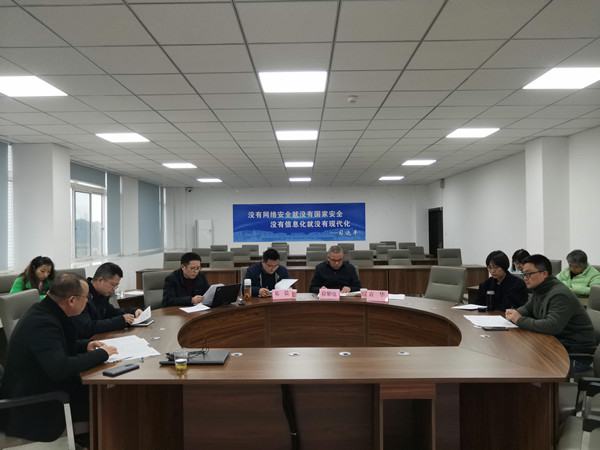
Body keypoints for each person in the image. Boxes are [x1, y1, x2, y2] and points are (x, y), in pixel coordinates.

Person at [0, 273, 117, 442]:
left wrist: (85, 345)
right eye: (87, 297)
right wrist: (102, 354)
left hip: (42, 388)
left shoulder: (46, 312)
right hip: (35, 407)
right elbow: (61, 368)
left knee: (104, 391)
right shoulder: (43, 323)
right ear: (72, 300)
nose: (88, 301)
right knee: (107, 400)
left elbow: (55, 344)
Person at [506, 254, 595, 356]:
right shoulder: (540, 289)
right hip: (556, 342)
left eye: (528, 274)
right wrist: (515, 313)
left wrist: (519, 320)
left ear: (544, 274)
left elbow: (552, 326)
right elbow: (527, 308)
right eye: (524, 274)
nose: (525, 278)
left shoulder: (559, 295)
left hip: (575, 350)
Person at [70, 262, 142, 338]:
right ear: (100, 280)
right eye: (113, 285)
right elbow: (88, 327)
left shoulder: (101, 294)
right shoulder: (81, 294)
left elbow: (112, 312)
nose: (114, 289)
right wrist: (121, 320)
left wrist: (134, 311)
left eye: (116, 286)